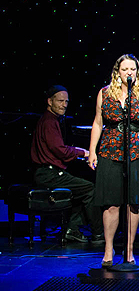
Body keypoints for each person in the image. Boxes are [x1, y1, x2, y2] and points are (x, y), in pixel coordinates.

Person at [88, 54, 139, 267]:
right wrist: (92, 151)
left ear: (138, 71)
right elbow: (97, 122)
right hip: (110, 150)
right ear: (117, 72)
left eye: (132, 69)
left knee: (132, 203)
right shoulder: (104, 93)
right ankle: (109, 249)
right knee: (111, 203)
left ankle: (129, 250)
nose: (129, 72)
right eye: (125, 69)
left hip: (137, 151)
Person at [30, 85, 104, 243]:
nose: (64, 105)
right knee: (90, 189)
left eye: (66, 101)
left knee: (81, 190)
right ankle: (98, 233)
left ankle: (72, 229)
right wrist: (83, 152)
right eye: (60, 101)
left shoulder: (50, 120)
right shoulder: (49, 122)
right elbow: (60, 150)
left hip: (48, 173)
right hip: (50, 175)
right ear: (50, 101)